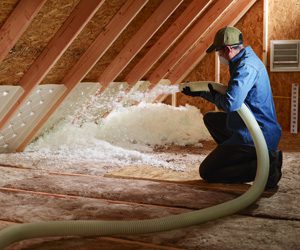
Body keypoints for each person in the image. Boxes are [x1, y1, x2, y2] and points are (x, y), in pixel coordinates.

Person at [182, 26, 282, 189]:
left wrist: (206, 94)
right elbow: (232, 97)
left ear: (227, 49)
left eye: (219, 53)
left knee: (208, 171)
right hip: (252, 125)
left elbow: (231, 103)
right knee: (211, 119)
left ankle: (266, 167)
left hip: (258, 134)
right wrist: (202, 93)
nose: (219, 56)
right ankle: (239, 157)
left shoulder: (245, 67)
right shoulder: (243, 60)